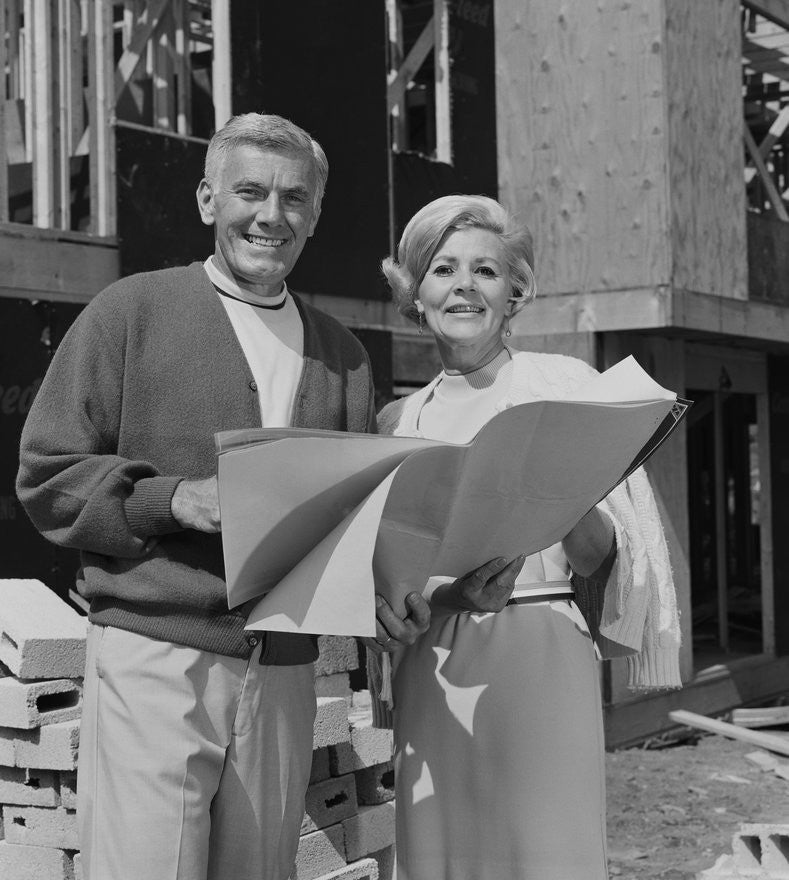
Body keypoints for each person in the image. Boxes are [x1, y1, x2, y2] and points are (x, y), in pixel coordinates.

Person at [16, 113, 429, 880]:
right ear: (208, 200)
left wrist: (386, 590)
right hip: (156, 657)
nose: (271, 216)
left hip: (284, 671)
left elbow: (347, 523)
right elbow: (46, 475)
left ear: (314, 214)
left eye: (294, 199)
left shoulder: (343, 356)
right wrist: (174, 501)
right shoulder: (129, 313)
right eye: (249, 192)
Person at [369, 194, 682, 880]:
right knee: (442, 851)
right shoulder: (394, 423)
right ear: (414, 292)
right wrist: (444, 598)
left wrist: (554, 488)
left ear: (514, 290)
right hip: (434, 666)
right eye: (443, 269)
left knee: (546, 853)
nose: (464, 286)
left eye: (485, 270)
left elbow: (605, 560)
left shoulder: (568, 387)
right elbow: (387, 584)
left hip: (542, 652)